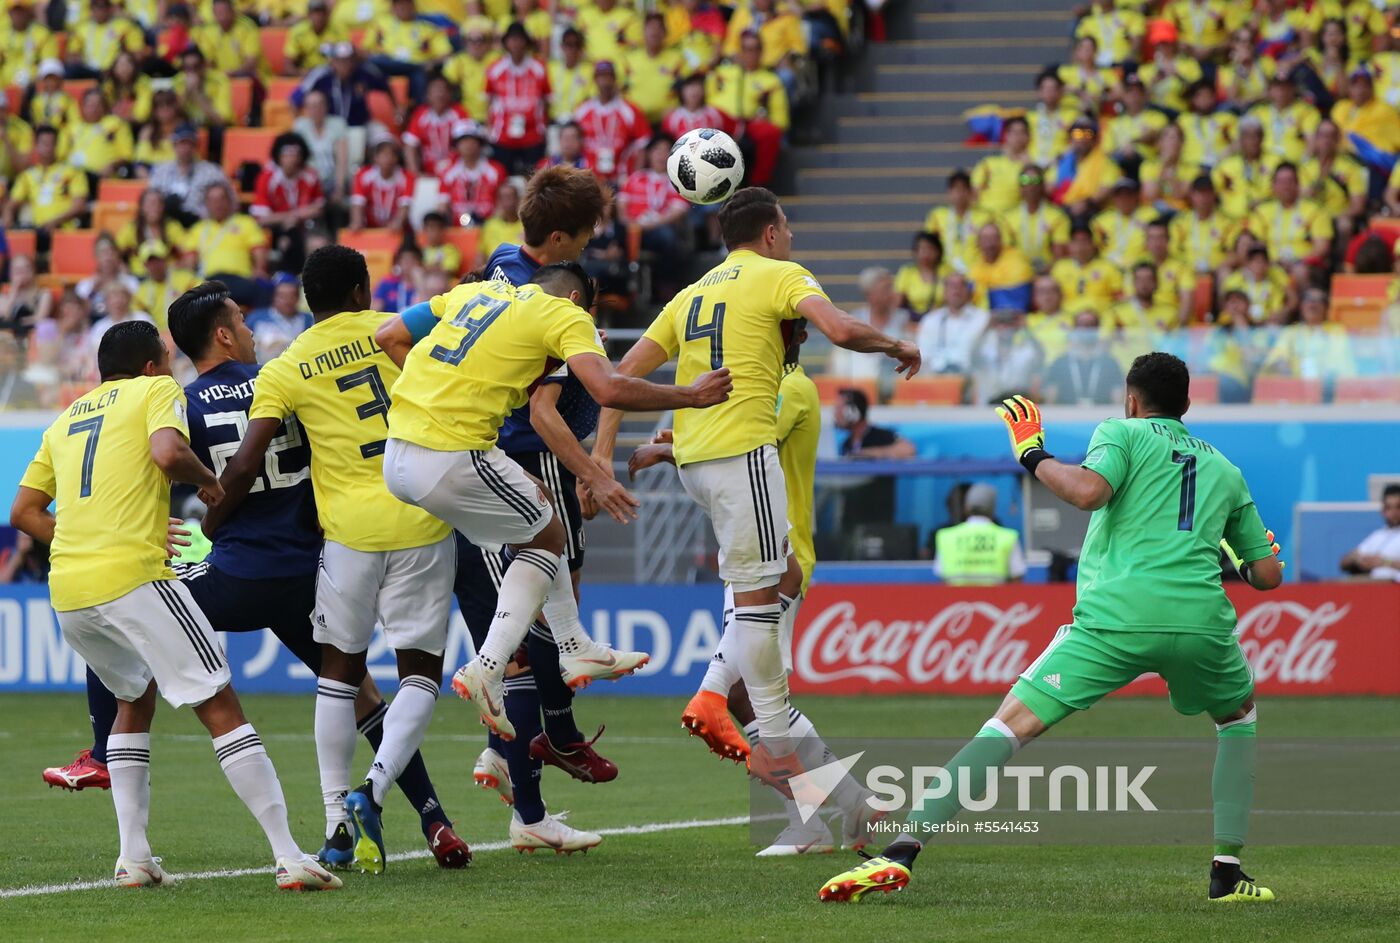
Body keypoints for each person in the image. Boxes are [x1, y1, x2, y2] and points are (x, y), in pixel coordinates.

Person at [820, 354, 1285, 905]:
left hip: (1116, 618)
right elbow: (1266, 576)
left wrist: (1032, 453)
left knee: (1008, 726)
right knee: (1238, 717)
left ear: (1132, 400)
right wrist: (1248, 549)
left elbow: (1088, 492)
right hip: (1201, 622)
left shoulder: (1122, 431)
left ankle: (900, 850)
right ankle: (1226, 874)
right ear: (1187, 405)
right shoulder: (1226, 471)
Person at [592, 188, 920, 791]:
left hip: (695, 466)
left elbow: (616, 378)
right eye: (787, 227)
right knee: (765, 601)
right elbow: (840, 329)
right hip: (740, 458)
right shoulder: (779, 274)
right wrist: (897, 344)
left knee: (769, 589)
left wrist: (602, 456)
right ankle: (770, 737)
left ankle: (777, 749)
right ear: (770, 233)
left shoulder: (689, 293)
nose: (790, 237)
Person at [9, 320, 342, 892]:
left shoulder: (66, 418)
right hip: (134, 581)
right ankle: (289, 855)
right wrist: (210, 483)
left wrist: (93, 533)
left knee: (132, 700)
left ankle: (134, 858)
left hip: (68, 592)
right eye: (166, 358)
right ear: (150, 365)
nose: (172, 367)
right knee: (219, 703)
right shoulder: (156, 390)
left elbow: (24, 512)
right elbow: (166, 452)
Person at [376, 166, 636, 850]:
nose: (587, 247)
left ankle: (523, 767)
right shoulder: (549, 300)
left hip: (462, 456)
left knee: (532, 617)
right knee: (541, 613)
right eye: (582, 237)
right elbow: (551, 408)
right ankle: (554, 738)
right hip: (511, 457)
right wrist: (592, 470)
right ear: (558, 239)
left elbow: (401, 338)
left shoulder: (495, 266)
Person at [382, 262, 719, 748]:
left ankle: (574, 644)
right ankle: (488, 667)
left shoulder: (472, 295)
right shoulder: (565, 315)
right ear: (578, 299)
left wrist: (439, 393)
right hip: (449, 453)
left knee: (539, 509)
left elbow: (389, 333)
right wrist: (689, 395)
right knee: (548, 536)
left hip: (400, 452)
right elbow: (607, 387)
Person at [199, 247, 455, 876]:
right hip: (420, 516)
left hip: (344, 538)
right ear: (365, 287)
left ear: (309, 300)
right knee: (418, 674)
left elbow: (251, 454)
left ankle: (336, 820)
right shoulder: (400, 328)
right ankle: (381, 790)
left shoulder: (285, 369)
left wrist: (213, 515)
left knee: (338, 676)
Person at [627, 324, 884, 856]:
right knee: (752, 692)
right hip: (752, 550)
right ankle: (832, 812)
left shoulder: (790, 388)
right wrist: (678, 442)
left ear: (784, 338)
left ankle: (830, 812)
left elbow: (745, 443)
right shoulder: (776, 386)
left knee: (736, 691)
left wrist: (672, 451)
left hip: (778, 555)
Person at [251, 132, 325, 276]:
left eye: (296, 154)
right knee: (287, 240)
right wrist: (291, 217)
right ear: (278, 156)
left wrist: (294, 217)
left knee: (317, 243)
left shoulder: (311, 175)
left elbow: (318, 209)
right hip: (275, 229)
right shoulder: (266, 178)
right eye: (287, 154)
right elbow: (261, 218)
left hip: (307, 227)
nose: (292, 159)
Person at [3, 125, 88, 246]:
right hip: (39, 232)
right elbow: (11, 205)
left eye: (51, 143)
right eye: (43, 143)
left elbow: (80, 206)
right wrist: (8, 216)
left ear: (57, 145)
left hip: (63, 229)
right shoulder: (28, 175)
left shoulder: (72, 172)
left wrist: (54, 221)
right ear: (36, 146)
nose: (47, 147)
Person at [485, 23, 551, 175]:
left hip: (533, 135)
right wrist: (489, 127)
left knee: (534, 180)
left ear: (526, 42)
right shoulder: (495, 68)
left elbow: (546, 100)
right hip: (502, 135)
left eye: (520, 39)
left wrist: (543, 126)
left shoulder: (539, 67)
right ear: (506, 42)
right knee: (502, 176)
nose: (516, 43)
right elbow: (489, 101)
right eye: (512, 39)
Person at [934, 482, 1025, 585]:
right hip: (996, 600)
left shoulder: (946, 537)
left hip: (956, 600)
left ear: (967, 507)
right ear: (993, 509)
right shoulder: (1008, 537)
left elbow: (942, 579)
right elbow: (1017, 578)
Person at [574, 60, 650, 183]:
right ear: (595, 79)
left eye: (609, 76)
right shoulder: (582, 110)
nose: (605, 81)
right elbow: (571, 142)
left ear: (615, 79)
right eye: (601, 76)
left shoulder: (629, 110)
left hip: (620, 178)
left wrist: (634, 178)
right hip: (588, 178)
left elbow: (642, 144)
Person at [364, 0, 451, 104]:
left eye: (406, 3)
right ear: (392, 7)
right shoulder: (381, 23)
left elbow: (446, 53)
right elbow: (364, 49)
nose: (402, 7)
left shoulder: (428, 27)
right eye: (398, 4)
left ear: (413, 5)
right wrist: (373, 54)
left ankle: (419, 111)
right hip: (386, 64)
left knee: (420, 73)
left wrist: (432, 63)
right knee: (370, 65)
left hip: (416, 67)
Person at [148, 124, 230, 222]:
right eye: (182, 143)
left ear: (196, 146)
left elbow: (229, 199)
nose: (186, 148)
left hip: (200, 223)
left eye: (190, 144)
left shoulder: (211, 171)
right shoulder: (160, 171)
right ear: (174, 145)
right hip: (168, 224)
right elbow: (150, 200)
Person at [1041, 310, 1125, 405]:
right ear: (1075, 329)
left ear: (1097, 329)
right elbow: (1051, 397)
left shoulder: (1109, 362)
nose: (1086, 329)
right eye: (1081, 325)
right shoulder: (1060, 361)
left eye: (1090, 325)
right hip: (1066, 414)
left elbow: (1117, 397)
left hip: (1102, 414)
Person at [916, 272, 988, 375]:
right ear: (944, 291)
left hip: (971, 378)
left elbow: (987, 355)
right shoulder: (930, 320)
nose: (956, 289)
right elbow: (924, 355)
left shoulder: (983, 318)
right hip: (935, 379)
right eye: (951, 285)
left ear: (969, 291)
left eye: (961, 285)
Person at [437, 119, 505, 224]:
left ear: (480, 143)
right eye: (463, 140)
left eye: (472, 140)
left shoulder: (496, 170)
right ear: (456, 145)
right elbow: (442, 206)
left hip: (489, 227)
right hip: (456, 230)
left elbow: (502, 204)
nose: (468, 144)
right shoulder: (447, 172)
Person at [403, 75, 468, 175]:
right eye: (435, 90)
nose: (440, 94)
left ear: (450, 94)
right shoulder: (421, 114)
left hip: (456, 172)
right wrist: (415, 173)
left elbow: (468, 144)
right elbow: (410, 145)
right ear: (428, 95)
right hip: (427, 172)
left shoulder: (459, 112)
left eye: (443, 89)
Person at [349, 138, 414, 231]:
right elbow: (357, 203)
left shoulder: (406, 177)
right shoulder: (363, 175)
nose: (388, 158)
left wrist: (397, 222)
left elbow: (405, 205)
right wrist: (356, 222)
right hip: (370, 230)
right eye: (384, 154)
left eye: (392, 154)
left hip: (397, 231)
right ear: (375, 157)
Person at [246, 274, 312, 361]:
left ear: (298, 297)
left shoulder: (308, 319)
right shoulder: (256, 318)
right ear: (273, 297)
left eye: (292, 296)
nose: (288, 301)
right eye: (282, 296)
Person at [1340, 484, 1400, 581]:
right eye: (1389, 507)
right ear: (1383, 510)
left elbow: (1383, 562)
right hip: (1374, 588)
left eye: (1398, 507)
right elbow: (1344, 562)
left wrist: (1385, 562)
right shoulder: (1378, 535)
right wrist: (1357, 560)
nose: (1394, 512)